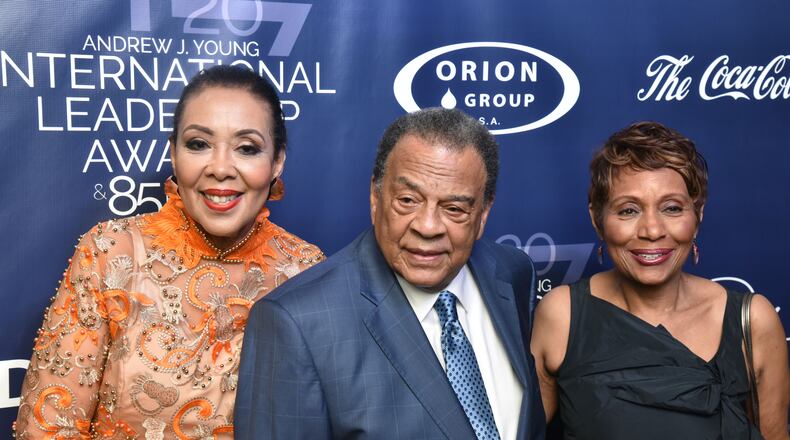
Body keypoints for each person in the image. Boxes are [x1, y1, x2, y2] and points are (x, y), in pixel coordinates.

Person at [12, 65, 324, 439]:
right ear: (173, 154)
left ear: (277, 162)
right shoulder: (113, 253)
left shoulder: (305, 270)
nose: (221, 168)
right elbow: (48, 426)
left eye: (247, 148)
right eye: (198, 144)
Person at [234, 108, 546, 439]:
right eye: (408, 200)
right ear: (375, 196)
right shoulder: (297, 323)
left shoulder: (513, 273)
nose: (427, 227)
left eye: (454, 209)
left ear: (482, 214)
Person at [531, 121, 790, 440]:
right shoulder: (562, 315)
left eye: (671, 208)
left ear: (698, 216)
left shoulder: (752, 322)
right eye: (628, 211)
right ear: (598, 220)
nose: (652, 230)